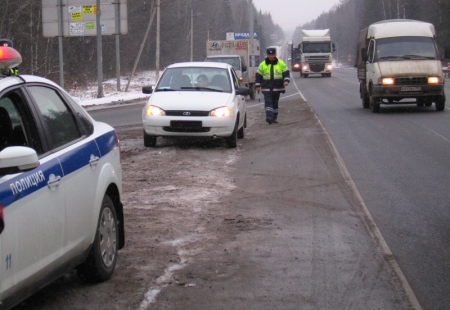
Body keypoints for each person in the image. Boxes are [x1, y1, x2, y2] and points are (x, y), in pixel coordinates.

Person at [255, 47, 290, 124]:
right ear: (267, 55)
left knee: (275, 103)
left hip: (277, 88)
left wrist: (286, 81)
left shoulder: (281, 63)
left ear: (275, 55)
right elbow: (258, 76)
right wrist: (258, 85)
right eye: (269, 55)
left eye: (272, 54)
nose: (271, 56)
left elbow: (286, 73)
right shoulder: (262, 64)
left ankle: (274, 118)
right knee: (268, 102)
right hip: (266, 88)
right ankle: (269, 117)